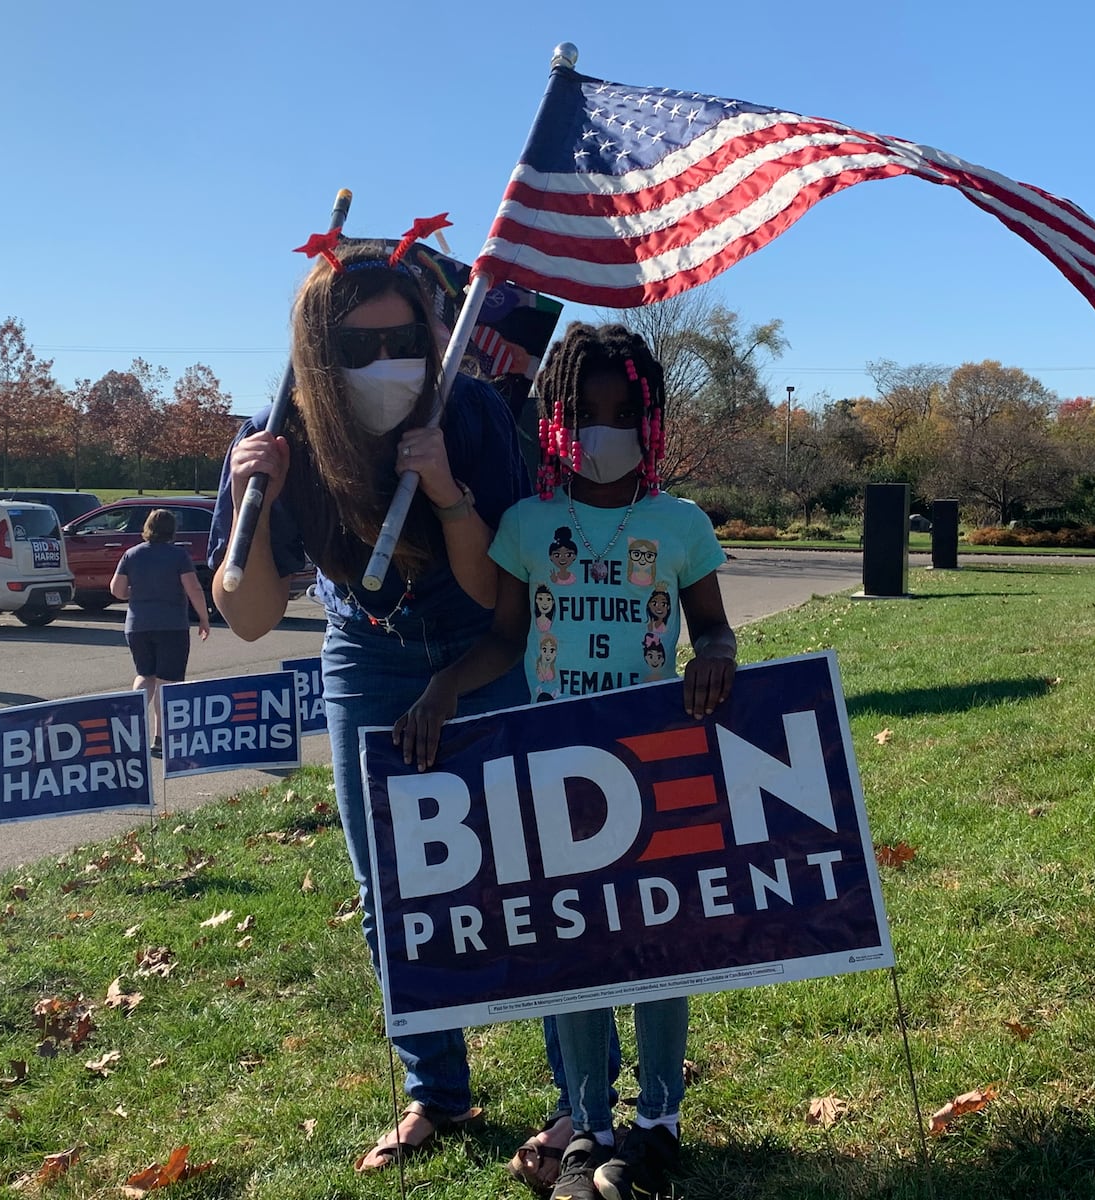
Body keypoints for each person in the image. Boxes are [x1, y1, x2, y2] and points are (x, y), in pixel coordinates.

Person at [209, 233, 606, 1180]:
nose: (387, 365)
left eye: (404, 344)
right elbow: (252, 616)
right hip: (367, 660)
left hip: (483, 654)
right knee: (386, 887)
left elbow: (492, 601)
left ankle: (576, 1101)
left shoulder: (467, 412)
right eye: (360, 347)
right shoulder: (283, 438)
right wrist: (249, 501)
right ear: (317, 352)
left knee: (531, 874)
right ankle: (438, 1089)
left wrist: (447, 492)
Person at [392, 322, 737, 1200]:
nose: (606, 428)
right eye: (588, 411)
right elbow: (506, 638)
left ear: (652, 421)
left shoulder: (682, 523)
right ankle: (589, 1129)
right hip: (557, 776)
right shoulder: (528, 524)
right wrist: (442, 687)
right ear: (555, 416)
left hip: (654, 768)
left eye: (625, 413)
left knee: (663, 950)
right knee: (572, 954)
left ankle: (656, 1128)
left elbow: (716, 627)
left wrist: (718, 655)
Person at [109, 508, 211, 755]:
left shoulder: (131, 554)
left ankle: (128, 730)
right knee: (167, 682)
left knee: (145, 675)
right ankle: (160, 738)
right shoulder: (178, 556)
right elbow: (193, 588)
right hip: (171, 625)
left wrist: (137, 594)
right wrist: (203, 617)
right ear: (172, 530)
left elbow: (116, 589)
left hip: (137, 625)